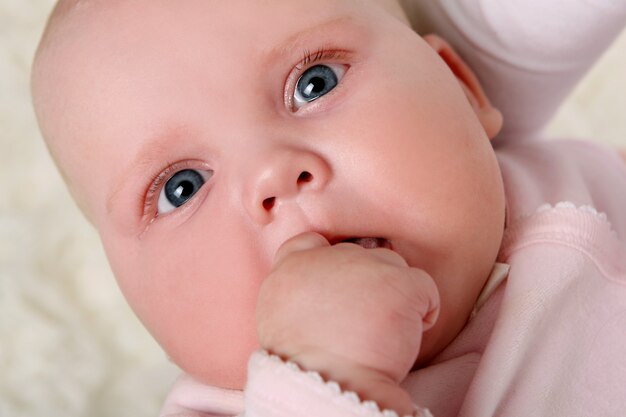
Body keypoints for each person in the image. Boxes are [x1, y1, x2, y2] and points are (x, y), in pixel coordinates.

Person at [30, 0, 626, 416]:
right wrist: (327, 378)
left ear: (461, 87)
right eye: (181, 187)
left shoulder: (571, 178)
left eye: (314, 82)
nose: (274, 174)